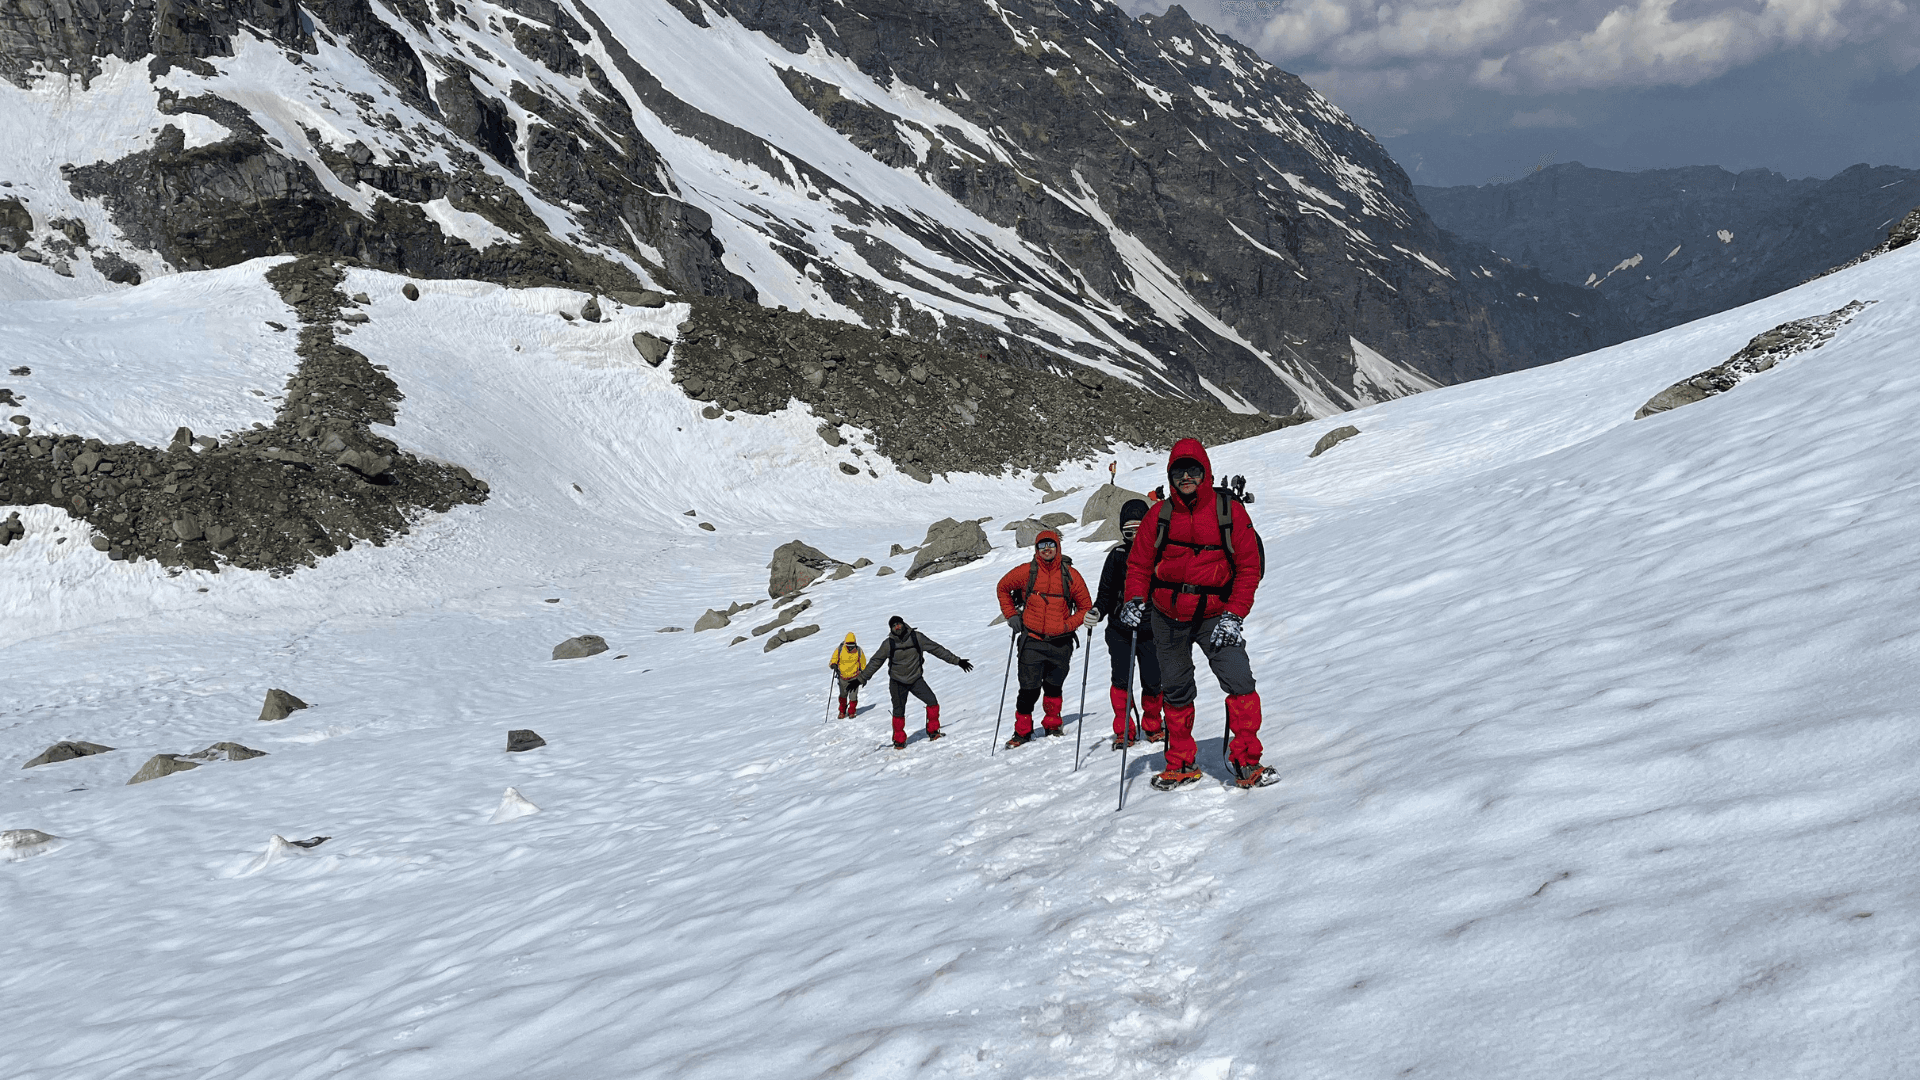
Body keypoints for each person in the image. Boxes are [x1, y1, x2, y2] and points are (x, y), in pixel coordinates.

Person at [1118, 438, 1269, 789]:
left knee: (1239, 681)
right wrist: (1133, 600)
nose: (1186, 476)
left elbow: (1249, 567)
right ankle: (1181, 763)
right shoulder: (1159, 515)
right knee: (1176, 690)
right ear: (1170, 476)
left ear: (1206, 472)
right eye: (1178, 471)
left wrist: (1234, 614)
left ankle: (1247, 760)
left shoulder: (1228, 512)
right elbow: (1138, 565)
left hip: (1217, 614)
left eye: (1193, 469)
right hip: (1167, 616)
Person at [995, 527, 1092, 748]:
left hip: (1061, 643)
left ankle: (1052, 725)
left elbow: (1086, 607)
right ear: (1036, 549)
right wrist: (1011, 616)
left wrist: (1068, 625)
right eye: (1042, 545)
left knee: (1053, 686)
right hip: (1032, 640)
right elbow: (1002, 587)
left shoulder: (1070, 575)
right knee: (1028, 689)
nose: (1046, 549)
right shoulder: (1026, 572)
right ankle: (1022, 732)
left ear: (1057, 547)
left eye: (1050, 545)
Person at [1090, 499, 1163, 750]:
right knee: (1121, 681)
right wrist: (1097, 612)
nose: (1133, 537)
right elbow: (1106, 593)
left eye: (1139, 530)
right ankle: (1124, 730)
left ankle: (1153, 725)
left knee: (1153, 680)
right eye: (1128, 532)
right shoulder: (1117, 556)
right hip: (1120, 631)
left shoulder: (1159, 554)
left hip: (1151, 629)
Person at [859, 616, 974, 748]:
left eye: (899, 624)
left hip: (915, 679)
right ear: (891, 629)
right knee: (898, 712)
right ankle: (899, 741)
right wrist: (861, 679)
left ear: (903, 624)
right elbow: (876, 662)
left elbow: (936, 649)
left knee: (932, 702)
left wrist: (957, 661)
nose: (897, 627)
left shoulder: (917, 637)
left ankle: (933, 732)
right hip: (897, 682)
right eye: (894, 625)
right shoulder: (888, 644)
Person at [827, 633, 866, 718]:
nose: (850, 648)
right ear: (845, 644)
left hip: (855, 678)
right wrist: (833, 664)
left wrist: (864, 675)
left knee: (853, 697)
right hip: (842, 678)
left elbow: (863, 663)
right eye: (848, 645)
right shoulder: (840, 649)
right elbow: (833, 659)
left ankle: (852, 711)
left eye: (852, 645)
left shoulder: (858, 650)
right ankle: (842, 711)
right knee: (843, 696)